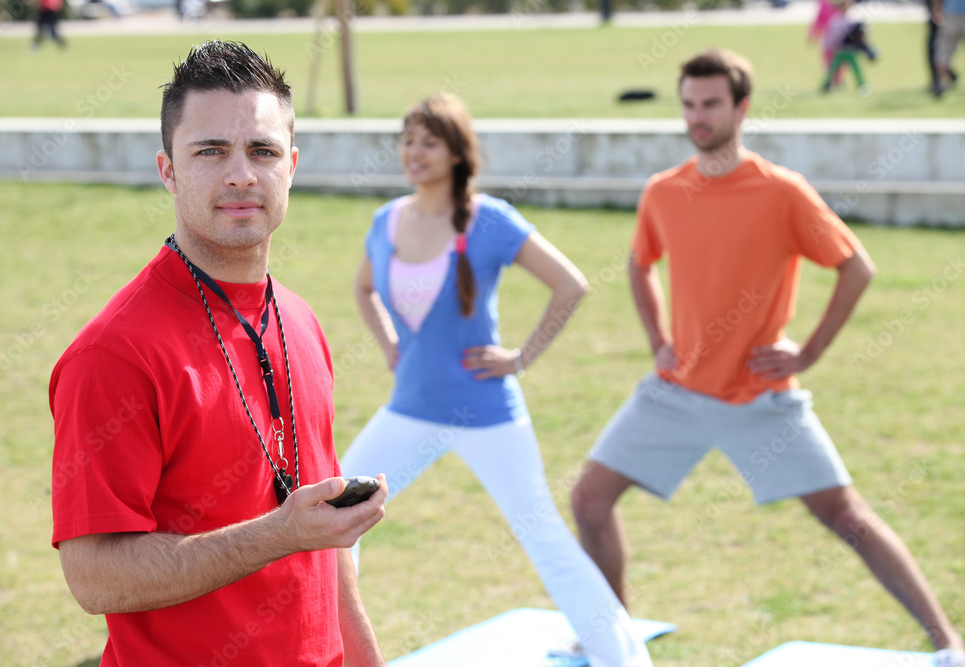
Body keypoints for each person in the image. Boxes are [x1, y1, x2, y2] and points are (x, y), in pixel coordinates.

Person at [570, 48, 965, 667]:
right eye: (689, 104)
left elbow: (856, 267)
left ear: (741, 108)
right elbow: (640, 262)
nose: (697, 117)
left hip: (758, 395)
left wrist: (806, 351)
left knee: (846, 517)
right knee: (588, 498)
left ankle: (948, 643)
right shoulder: (664, 191)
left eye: (711, 104)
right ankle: (613, 639)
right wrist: (656, 336)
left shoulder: (781, 191)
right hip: (674, 390)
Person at [50, 40, 388, 666]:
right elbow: (95, 576)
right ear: (168, 169)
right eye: (210, 151)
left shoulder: (301, 319)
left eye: (261, 151)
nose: (240, 174)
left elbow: (326, 546)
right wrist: (279, 534)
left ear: (290, 165)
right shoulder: (113, 353)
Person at [339, 93, 654, 667]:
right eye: (408, 139)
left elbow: (570, 283)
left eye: (429, 141)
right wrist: (390, 345)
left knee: (547, 543)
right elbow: (363, 287)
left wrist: (520, 357)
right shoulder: (387, 220)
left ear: (457, 153)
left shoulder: (490, 220)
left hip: (486, 413)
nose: (414, 151)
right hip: (409, 408)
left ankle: (623, 659)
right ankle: (337, 650)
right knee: (337, 518)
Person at [932, 0, 965, 96]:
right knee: (943, 50)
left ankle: (939, 84)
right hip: (952, 14)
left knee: (943, 52)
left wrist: (936, 9)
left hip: (951, 15)